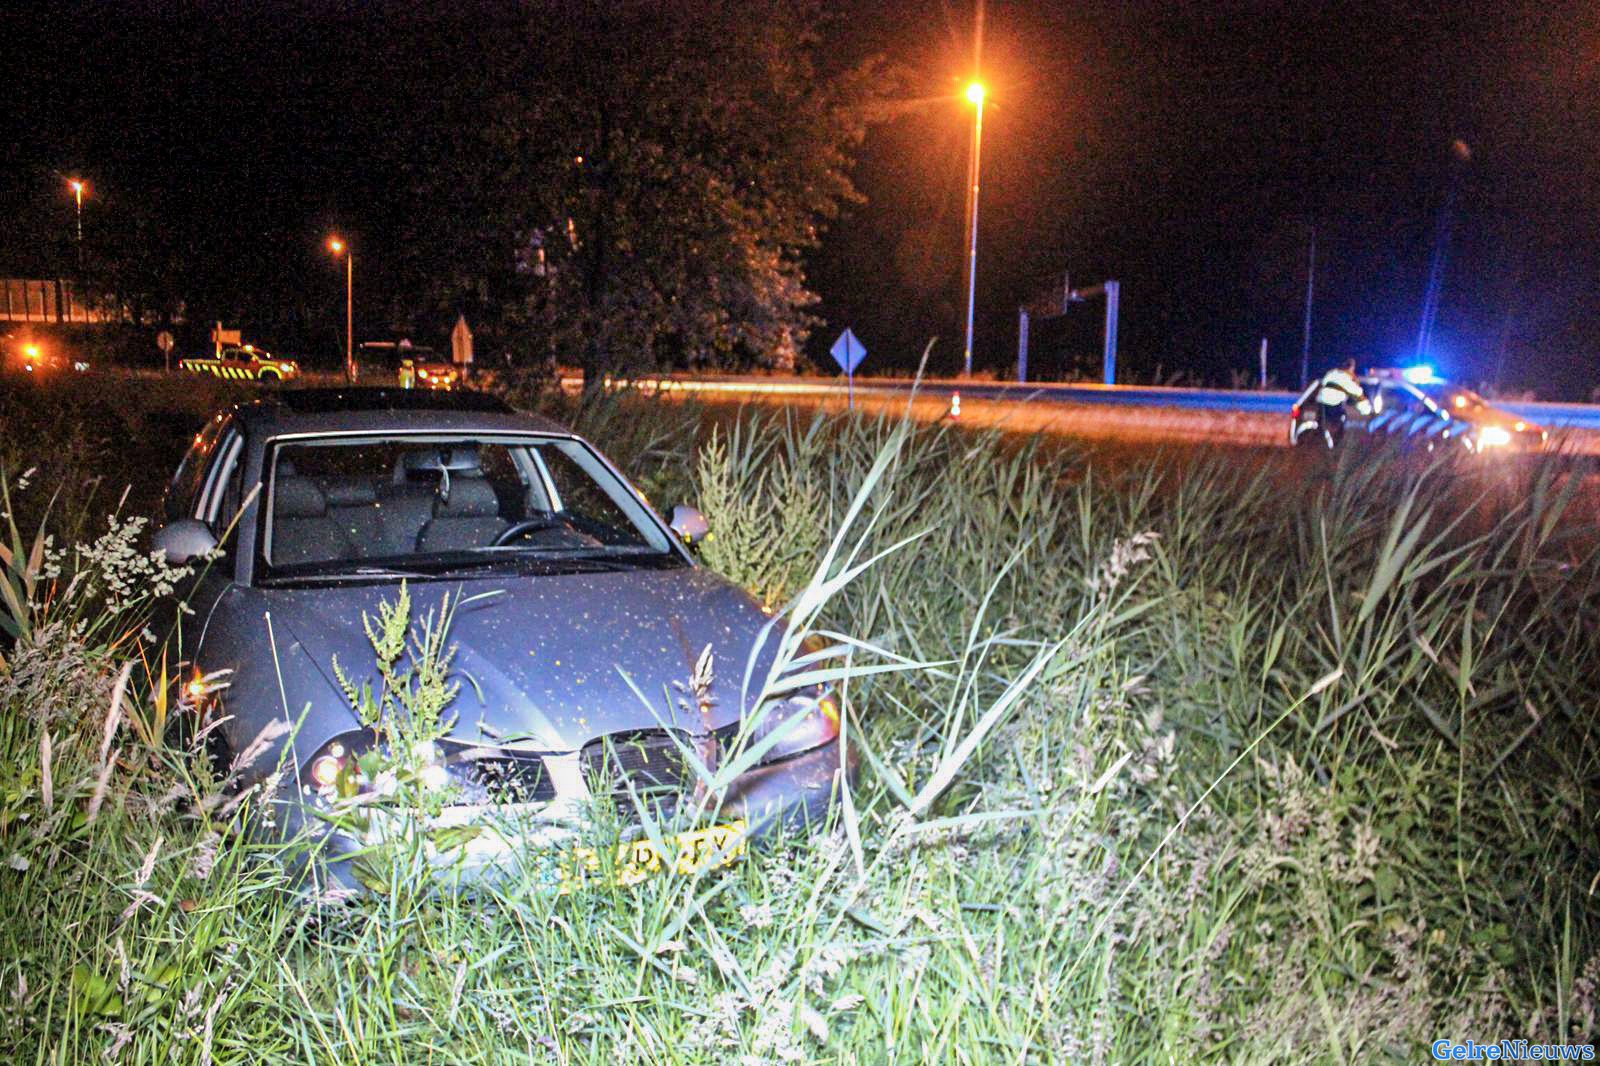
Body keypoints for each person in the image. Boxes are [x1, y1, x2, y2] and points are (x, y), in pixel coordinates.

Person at [1315, 358, 1372, 447]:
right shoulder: (1347, 380)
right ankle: (1336, 446)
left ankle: (1320, 444)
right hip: (1333, 407)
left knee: (1322, 430)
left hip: (1320, 405)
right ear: (1351, 368)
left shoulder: (1331, 373)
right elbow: (1359, 397)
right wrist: (1368, 411)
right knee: (1340, 426)